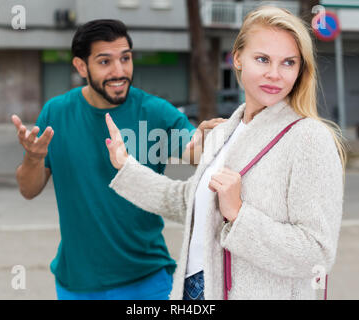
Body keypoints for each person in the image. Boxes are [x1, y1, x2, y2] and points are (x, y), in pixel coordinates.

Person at [105, 6, 346, 300]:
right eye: (262, 59)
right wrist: (126, 166)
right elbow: (190, 203)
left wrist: (240, 215)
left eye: (288, 63)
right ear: (238, 59)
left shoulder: (309, 138)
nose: (274, 74)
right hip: (194, 289)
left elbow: (317, 253)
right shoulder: (222, 133)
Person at [11, 19, 225, 300]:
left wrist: (212, 143)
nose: (119, 71)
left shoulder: (155, 112)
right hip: (77, 284)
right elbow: (28, 189)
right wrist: (33, 158)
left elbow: (194, 149)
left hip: (148, 282)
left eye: (125, 58)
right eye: (105, 62)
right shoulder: (57, 112)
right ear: (80, 66)